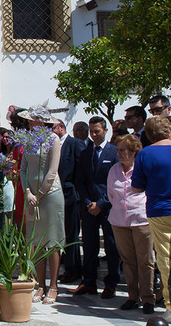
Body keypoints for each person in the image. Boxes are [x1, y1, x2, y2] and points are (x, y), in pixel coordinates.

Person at [19, 107, 65, 304]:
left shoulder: (53, 139)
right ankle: (40, 284)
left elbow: (52, 171)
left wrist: (40, 194)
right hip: (31, 195)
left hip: (50, 194)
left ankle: (53, 285)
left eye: (33, 120)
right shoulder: (29, 140)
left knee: (52, 241)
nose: (29, 123)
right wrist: (28, 192)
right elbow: (23, 169)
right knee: (36, 240)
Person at [73, 116, 120, 299]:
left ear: (105, 131)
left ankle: (111, 283)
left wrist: (101, 203)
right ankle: (89, 281)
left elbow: (116, 183)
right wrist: (87, 202)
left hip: (108, 206)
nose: (94, 135)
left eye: (97, 131)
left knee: (111, 245)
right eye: (91, 131)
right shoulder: (86, 153)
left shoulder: (113, 152)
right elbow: (80, 181)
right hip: (89, 207)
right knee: (89, 245)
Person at [107, 135, 155, 314]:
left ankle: (147, 298)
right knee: (128, 260)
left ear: (134, 151)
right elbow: (111, 194)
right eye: (118, 150)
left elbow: (148, 191)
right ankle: (133, 296)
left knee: (145, 260)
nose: (119, 154)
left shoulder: (142, 168)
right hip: (119, 221)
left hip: (141, 219)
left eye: (123, 150)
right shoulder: (114, 170)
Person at [131, 115, 171, 313]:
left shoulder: (145, 154)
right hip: (160, 208)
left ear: (148, 134)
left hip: (159, 210)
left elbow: (136, 187)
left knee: (164, 258)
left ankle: (170, 305)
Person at [52, 119, 84, 283]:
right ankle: (67, 267)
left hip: (71, 195)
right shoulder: (53, 145)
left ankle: (74, 270)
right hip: (57, 196)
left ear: (61, 127)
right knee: (61, 234)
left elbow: (81, 170)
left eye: (52, 127)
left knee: (72, 235)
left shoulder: (74, 144)